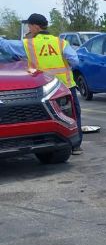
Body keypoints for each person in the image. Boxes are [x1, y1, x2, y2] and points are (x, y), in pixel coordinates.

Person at [0, 13, 84, 153]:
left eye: (29, 25)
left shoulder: (29, 44)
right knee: (73, 114)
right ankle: (76, 146)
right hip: (65, 87)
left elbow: (6, 46)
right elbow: (74, 60)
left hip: (41, 87)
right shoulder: (60, 42)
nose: (28, 28)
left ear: (35, 26)